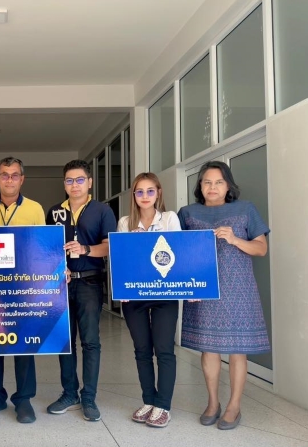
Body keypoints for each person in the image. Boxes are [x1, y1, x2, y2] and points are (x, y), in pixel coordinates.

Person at [178, 161, 270, 430]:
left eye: (218, 182)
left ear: (228, 185)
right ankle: (213, 403)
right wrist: (186, 286)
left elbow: (261, 248)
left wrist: (235, 239)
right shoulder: (187, 213)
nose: (212, 187)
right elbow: (178, 251)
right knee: (209, 348)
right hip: (203, 289)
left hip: (239, 289)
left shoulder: (246, 209)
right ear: (200, 185)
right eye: (207, 182)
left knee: (238, 349)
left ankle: (234, 406)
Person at [0, 156, 45, 424]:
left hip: (23, 287)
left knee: (24, 342)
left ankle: (24, 399)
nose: (9, 179)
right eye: (4, 174)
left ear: (22, 179)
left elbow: (41, 248)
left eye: (15, 175)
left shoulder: (35, 209)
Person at [46, 159, 116, 422]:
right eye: (69, 180)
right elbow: (48, 248)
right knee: (65, 341)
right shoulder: (55, 211)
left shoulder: (102, 210)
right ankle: (69, 394)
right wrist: (57, 267)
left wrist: (85, 249)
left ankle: (89, 397)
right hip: (62, 284)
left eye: (79, 180)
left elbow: (109, 246)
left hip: (89, 282)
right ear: (64, 184)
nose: (74, 185)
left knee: (90, 341)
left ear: (89, 182)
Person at [117, 173, 181, 428]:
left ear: (158, 193)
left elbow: (178, 253)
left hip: (164, 294)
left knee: (164, 349)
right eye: (139, 192)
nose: (145, 196)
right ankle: (148, 400)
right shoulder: (125, 222)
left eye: (150, 191)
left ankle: (163, 405)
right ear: (134, 195)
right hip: (135, 294)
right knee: (142, 350)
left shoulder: (169, 219)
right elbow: (122, 259)